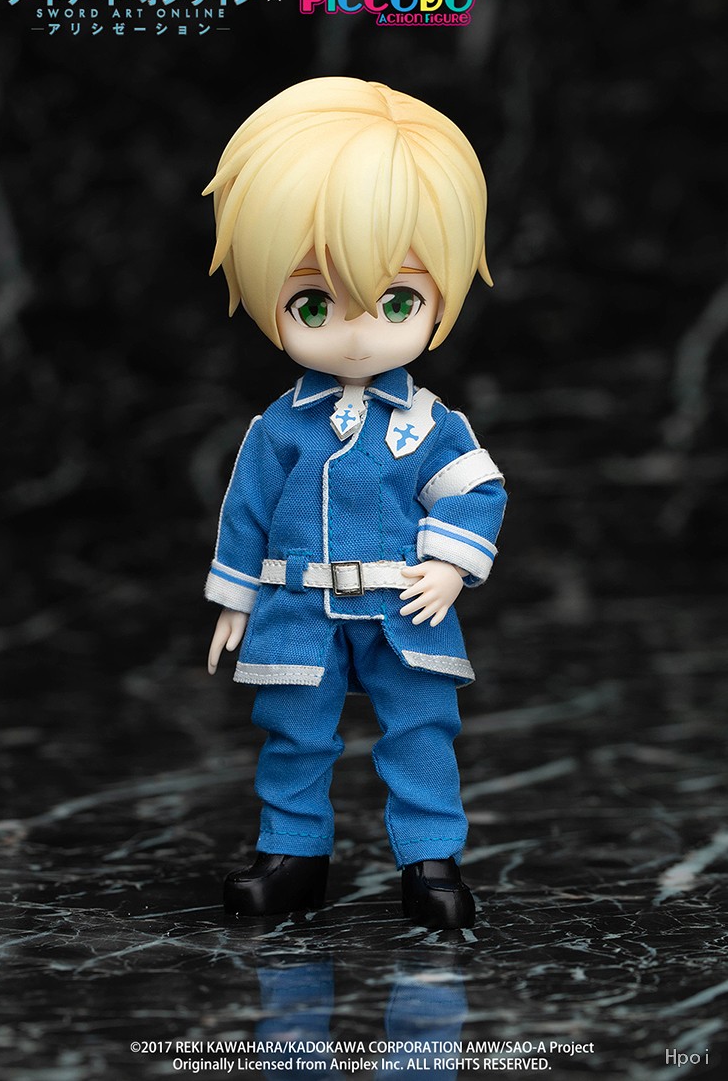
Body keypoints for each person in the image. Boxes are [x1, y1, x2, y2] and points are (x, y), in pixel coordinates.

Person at [203, 77, 507, 929]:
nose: (359, 330)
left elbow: (477, 488)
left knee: (421, 730)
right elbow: (247, 509)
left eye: (398, 300)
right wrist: (235, 597)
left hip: (405, 604)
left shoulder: (430, 421)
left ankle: (432, 862)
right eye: (314, 302)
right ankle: (291, 856)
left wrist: (448, 565)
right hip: (299, 605)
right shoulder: (280, 426)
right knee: (295, 730)